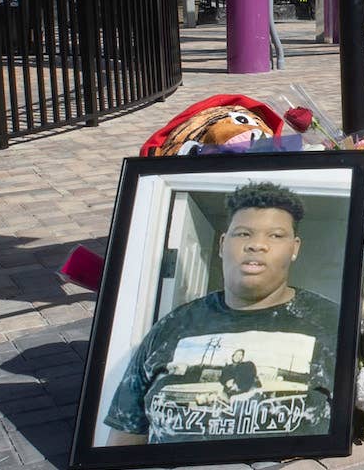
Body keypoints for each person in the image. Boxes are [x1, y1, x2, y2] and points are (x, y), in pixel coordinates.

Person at [104, 181, 339, 443]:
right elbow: (123, 439)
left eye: (275, 235)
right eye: (243, 234)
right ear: (222, 243)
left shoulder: (333, 324)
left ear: (294, 248)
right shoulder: (171, 327)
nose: (256, 245)